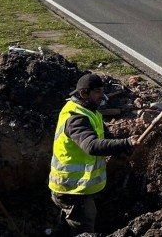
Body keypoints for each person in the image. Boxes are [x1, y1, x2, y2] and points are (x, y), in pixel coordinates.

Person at [49, 73, 139, 235]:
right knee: (84, 228)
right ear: (84, 93)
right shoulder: (76, 118)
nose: (102, 96)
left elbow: (106, 137)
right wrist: (127, 142)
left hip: (76, 188)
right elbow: (91, 145)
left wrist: (121, 147)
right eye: (97, 92)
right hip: (71, 189)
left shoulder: (91, 112)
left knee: (68, 226)